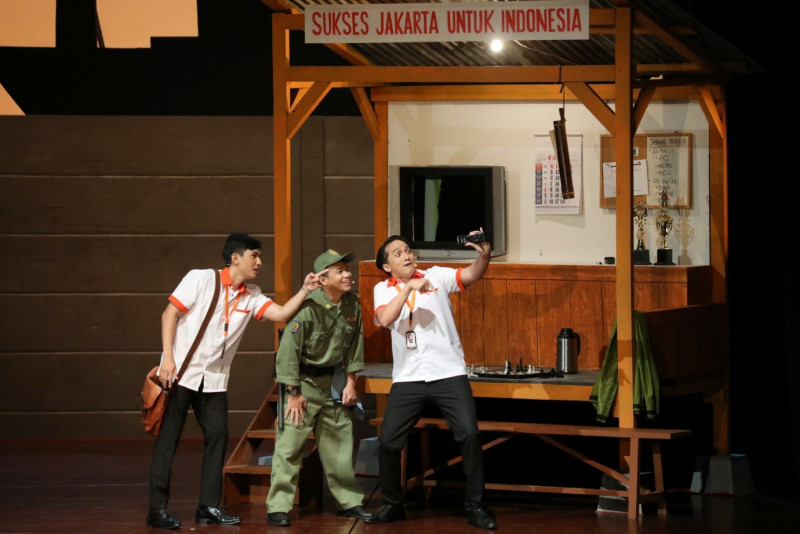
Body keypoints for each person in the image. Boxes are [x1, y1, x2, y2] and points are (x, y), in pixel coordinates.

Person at [147, 233, 324, 530]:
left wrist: (305, 289)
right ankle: (156, 509)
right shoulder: (201, 279)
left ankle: (208, 506)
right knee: (168, 441)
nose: (260, 262)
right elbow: (170, 314)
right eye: (254, 255)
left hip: (215, 381)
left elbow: (281, 313)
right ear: (235, 257)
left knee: (218, 438)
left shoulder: (252, 295)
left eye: (260, 256)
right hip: (181, 375)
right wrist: (168, 358)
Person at [369, 231, 498, 530]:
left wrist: (485, 255)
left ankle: (476, 506)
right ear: (387, 266)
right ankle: (392, 504)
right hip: (408, 377)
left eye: (408, 250)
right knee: (388, 441)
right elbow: (385, 319)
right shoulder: (383, 289)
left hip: (448, 372)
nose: (407, 255)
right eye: (398, 253)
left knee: (469, 435)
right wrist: (407, 288)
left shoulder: (436, 276)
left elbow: (471, 274)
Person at [266, 249, 375, 527]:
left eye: (346, 269)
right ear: (323, 280)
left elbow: (355, 346)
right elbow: (287, 354)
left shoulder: (352, 305)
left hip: (334, 383)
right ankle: (278, 506)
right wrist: (293, 394)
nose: (347, 274)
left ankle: (349, 502)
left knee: (340, 446)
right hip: (302, 384)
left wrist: (351, 383)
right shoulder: (307, 308)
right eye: (340, 271)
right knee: (290, 447)